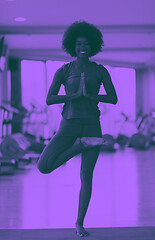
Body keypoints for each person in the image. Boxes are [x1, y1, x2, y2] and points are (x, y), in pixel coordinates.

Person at [37, 21, 118, 237]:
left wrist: (93, 96)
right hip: (69, 125)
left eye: (87, 44)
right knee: (44, 166)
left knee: (86, 176)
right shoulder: (63, 70)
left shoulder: (99, 71)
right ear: (73, 46)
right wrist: (70, 96)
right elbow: (49, 98)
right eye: (79, 43)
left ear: (92, 46)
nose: (83, 47)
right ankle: (79, 145)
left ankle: (79, 224)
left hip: (92, 124)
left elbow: (113, 98)